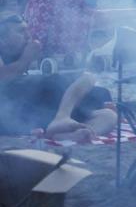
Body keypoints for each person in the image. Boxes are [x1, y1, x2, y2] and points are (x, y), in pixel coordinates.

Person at [0, 14, 116, 142]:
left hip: (40, 108)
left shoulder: (21, 52)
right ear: (2, 39)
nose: (28, 36)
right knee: (82, 79)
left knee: (108, 114)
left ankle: (75, 132)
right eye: (21, 31)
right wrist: (26, 58)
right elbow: (3, 77)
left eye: (28, 30)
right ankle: (62, 117)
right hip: (17, 107)